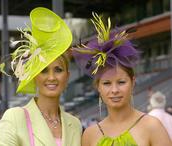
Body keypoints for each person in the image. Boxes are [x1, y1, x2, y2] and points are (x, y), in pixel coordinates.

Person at [72, 13, 172, 146]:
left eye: (121, 82)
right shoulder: (90, 135)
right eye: (107, 83)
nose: (114, 90)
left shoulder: (152, 126)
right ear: (98, 87)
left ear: (133, 82)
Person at [0, 7, 82, 146]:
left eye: (58, 70)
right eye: (44, 70)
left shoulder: (75, 124)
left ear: (67, 76)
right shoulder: (16, 117)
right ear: (34, 76)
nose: (51, 77)